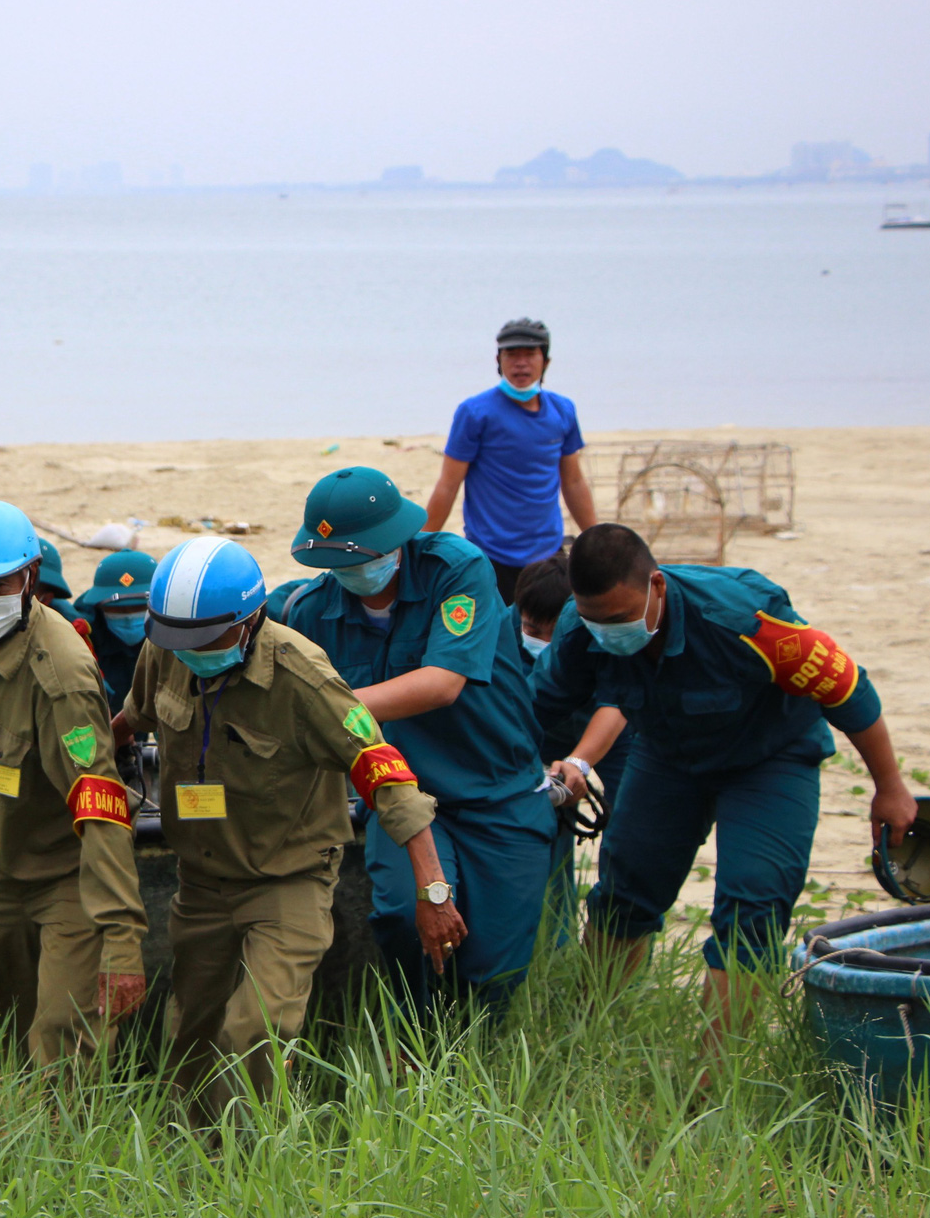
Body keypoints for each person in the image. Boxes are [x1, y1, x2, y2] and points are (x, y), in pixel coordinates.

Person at [529, 524, 918, 1053]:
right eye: (595, 620)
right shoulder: (582, 629)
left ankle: (713, 1077)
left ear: (657, 587)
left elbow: (849, 689)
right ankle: (589, 1038)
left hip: (769, 759)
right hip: (667, 754)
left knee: (753, 903)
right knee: (624, 888)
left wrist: (889, 788)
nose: (607, 633)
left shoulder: (747, 621)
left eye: (619, 619)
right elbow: (533, 710)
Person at [114, 537, 449, 1118]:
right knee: (190, 1035)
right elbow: (130, 718)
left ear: (250, 621)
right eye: (177, 639)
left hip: (287, 880)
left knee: (252, 1031)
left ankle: (250, 1164)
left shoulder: (304, 677)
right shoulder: (168, 647)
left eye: (206, 639)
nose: (190, 651)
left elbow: (383, 770)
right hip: (201, 882)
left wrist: (433, 890)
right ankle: (192, 1161)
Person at [285, 467, 555, 1015]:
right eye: (335, 562)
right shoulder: (313, 611)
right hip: (403, 797)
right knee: (403, 918)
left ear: (398, 541)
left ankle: (478, 1050)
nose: (352, 572)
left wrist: (329, 706)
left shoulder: (456, 571)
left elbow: (442, 683)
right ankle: (419, 1037)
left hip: (498, 789)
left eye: (361, 556)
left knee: (496, 965)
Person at [0, 500, 147, 1064]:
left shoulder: (61, 673)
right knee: (8, 1035)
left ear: (29, 578)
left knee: (64, 1041)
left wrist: (121, 943)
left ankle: (71, 1149)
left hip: (63, 882)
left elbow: (102, 806)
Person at [423, 318, 598, 607]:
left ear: (546, 361)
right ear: (498, 360)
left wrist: (595, 538)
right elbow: (448, 484)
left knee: (550, 636)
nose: (521, 364)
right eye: (512, 355)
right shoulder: (475, 413)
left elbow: (574, 481)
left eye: (529, 355)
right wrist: (421, 545)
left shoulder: (563, 411)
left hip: (549, 553)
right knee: (501, 641)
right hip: (492, 555)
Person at [514, 551, 633, 932]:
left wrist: (579, 763)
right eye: (532, 631)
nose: (544, 644)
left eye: (556, 634)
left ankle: (620, 932)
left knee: (635, 835)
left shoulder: (603, 634)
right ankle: (556, 940)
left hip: (615, 733)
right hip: (539, 732)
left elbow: (617, 704)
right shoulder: (498, 636)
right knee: (544, 825)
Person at [74, 549, 158, 714]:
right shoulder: (82, 635)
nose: (128, 617)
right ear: (99, 608)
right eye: (118, 610)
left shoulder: (172, 632)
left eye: (139, 608)